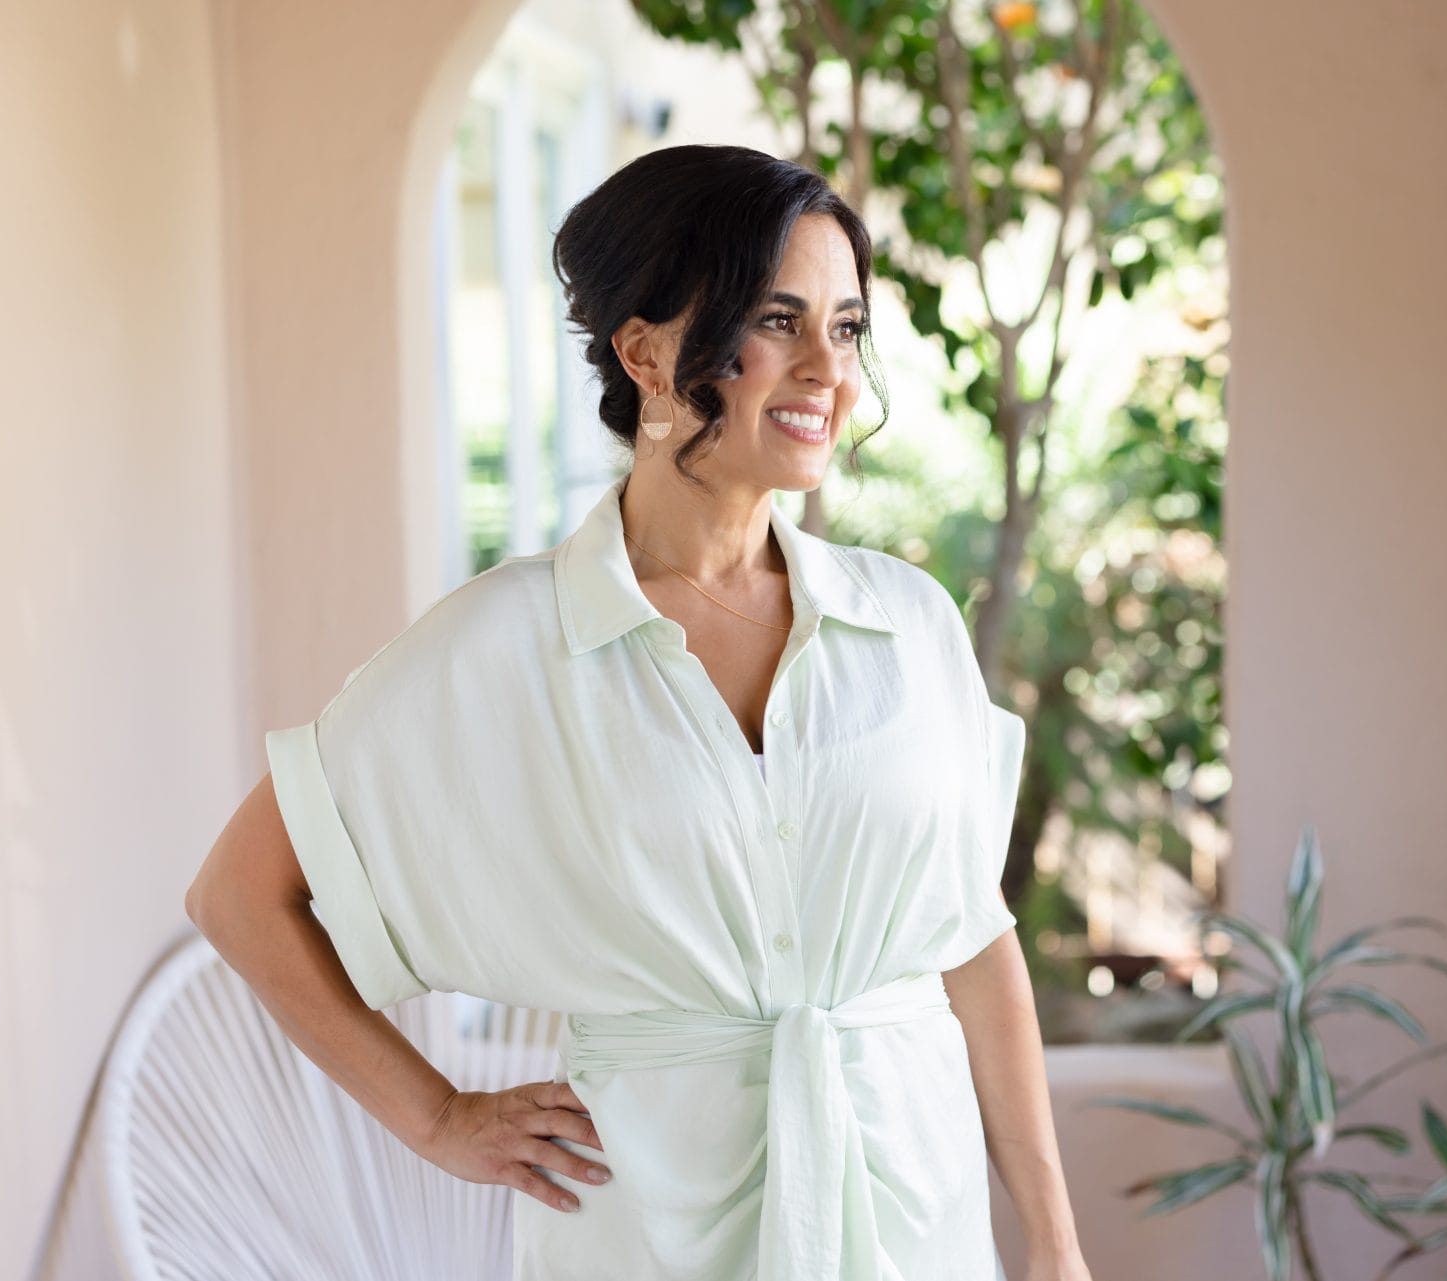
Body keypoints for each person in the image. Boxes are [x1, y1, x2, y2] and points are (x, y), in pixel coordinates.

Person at [185, 143, 1092, 1281]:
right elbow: (239, 897)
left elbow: (974, 943)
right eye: (779, 320)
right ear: (648, 352)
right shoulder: (507, 643)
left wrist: (1055, 1247)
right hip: (648, 1226)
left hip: (910, 1218)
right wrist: (434, 1119)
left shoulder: (908, 626)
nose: (828, 369)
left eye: (849, 327)